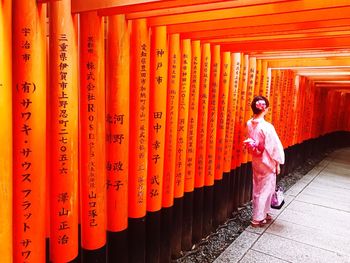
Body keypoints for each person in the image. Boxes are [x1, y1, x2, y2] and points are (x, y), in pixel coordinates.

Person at [243, 95, 285, 227]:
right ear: (265, 109)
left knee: (258, 187)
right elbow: (273, 147)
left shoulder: (249, 123)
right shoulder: (267, 126)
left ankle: (264, 212)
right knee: (265, 189)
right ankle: (257, 218)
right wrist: (278, 162)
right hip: (266, 161)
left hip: (256, 159)